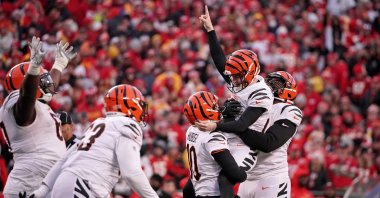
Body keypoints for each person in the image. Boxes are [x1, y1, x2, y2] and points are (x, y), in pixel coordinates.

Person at [30, 85, 158, 197]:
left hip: (68, 182)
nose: (142, 110)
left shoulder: (100, 123)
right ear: (129, 104)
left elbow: (65, 158)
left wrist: (43, 190)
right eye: (139, 104)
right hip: (83, 185)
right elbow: (131, 173)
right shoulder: (127, 125)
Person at [196, 6, 273, 173]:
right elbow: (218, 59)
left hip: (247, 145)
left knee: (224, 178)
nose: (233, 79)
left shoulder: (261, 92)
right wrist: (210, 30)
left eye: (238, 75)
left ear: (250, 72)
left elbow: (241, 125)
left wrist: (216, 125)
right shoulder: (239, 79)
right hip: (230, 136)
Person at [0, 36, 76, 197]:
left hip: (43, 179)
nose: (46, 82)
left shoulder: (38, 104)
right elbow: (27, 99)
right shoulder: (18, 104)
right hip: (29, 183)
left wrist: (59, 65)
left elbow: (45, 89)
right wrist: (33, 69)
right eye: (39, 79)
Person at [183, 91, 247, 198]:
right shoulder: (213, 137)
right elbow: (237, 174)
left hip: (198, 191)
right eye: (214, 106)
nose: (218, 108)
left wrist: (223, 115)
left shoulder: (191, 130)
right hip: (215, 194)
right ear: (205, 111)